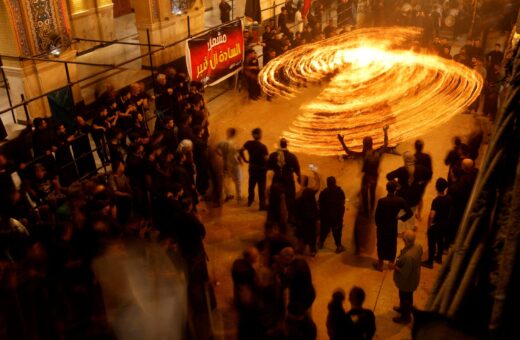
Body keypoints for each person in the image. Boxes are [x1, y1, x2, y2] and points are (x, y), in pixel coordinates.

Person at [338, 125, 388, 217]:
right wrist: (385, 131)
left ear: (364, 145)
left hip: (366, 178)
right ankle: (372, 209)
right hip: (374, 177)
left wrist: (341, 141)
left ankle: (366, 213)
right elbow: (385, 145)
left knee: (364, 195)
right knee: (372, 194)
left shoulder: (363, 154)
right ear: (372, 144)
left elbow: (348, 152)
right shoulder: (378, 153)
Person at [386, 151, 431, 232]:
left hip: (403, 198)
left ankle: (400, 230)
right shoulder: (421, 169)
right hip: (415, 197)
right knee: (412, 213)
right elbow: (429, 174)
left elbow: (388, 176)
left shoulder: (401, 170)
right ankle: (410, 228)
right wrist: (422, 183)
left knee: (401, 213)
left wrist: (397, 185)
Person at [374, 181, 413, 271]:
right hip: (392, 226)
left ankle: (380, 264)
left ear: (387, 189)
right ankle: (391, 263)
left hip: (382, 227)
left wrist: (378, 225)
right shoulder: (400, 200)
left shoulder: (381, 201)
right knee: (392, 243)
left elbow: (377, 216)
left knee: (381, 244)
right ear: (395, 189)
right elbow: (410, 213)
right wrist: (400, 218)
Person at [392, 230, 423, 324]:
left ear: (406, 240)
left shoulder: (408, 257)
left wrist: (394, 267)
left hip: (407, 282)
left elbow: (405, 273)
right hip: (414, 276)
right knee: (407, 296)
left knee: (405, 297)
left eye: (403, 238)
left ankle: (405, 317)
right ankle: (403, 308)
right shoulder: (418, 245)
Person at [268, 138, 301, 222]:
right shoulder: (292, 156)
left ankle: (274, 217)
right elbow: (297, 169)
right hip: (288, 179)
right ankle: (291, 216)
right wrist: (299, 177)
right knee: (290, 198)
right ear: (286, 145)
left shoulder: (273, 155)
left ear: (280, 145)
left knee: (274, 198)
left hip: (277, 179)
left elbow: (268, 167)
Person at [422, 178, 451, 268]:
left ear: (436, 187)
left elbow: (432, 215)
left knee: (432, 243)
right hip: (444, 224)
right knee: (440, 241)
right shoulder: (449, 198)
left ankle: (430, 262)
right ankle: (438, 257)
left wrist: (429, 226)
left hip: (436, 225)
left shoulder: (437, 200)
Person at [240, 128, 269, 210]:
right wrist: (267, 168)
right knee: (261, 187)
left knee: (251, 184)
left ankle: (250, 201)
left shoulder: (248, 143)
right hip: (261, 169)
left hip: (252, 167)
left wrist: (245, 159)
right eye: (260, 133)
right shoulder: (263, 147)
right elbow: (267, 159)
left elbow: (240, 150)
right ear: (259, 135)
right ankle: (262, 205)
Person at [295, 168, 321, 256]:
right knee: (312, 236)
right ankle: (313, 251)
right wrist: (316, 172)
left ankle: (301, 250)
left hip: (302, 221)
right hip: (311, 220)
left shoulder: (298, 196)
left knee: (301, 236)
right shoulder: (310, 192)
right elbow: (318, 185)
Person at [318, 176, 346, 253]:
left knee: (323, 230)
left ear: (327, 184)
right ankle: (338, 246)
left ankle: (321, 243)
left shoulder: (323, 193)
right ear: (335, 183)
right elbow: (342, 203)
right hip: (336, 218)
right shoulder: (340, 192)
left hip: (325, 217)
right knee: (337, 232)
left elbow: (319, 204)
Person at [217, 128, 242, 203]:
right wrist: (241, 161)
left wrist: (221, 155)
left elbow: (216, 148)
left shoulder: (222, 142)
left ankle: (228, 194)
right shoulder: (235, 144)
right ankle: (239, 196)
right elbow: (238, 154)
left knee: (226, 180)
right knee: (238, 180)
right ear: (234, 134)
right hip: (234, 164)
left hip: (225, 164)